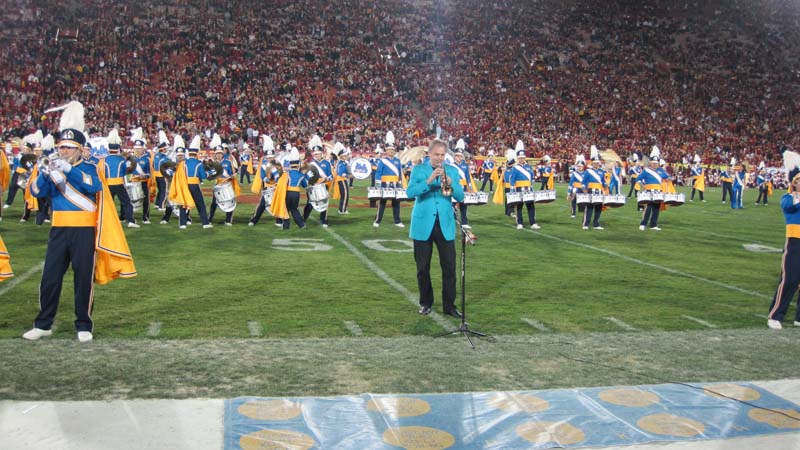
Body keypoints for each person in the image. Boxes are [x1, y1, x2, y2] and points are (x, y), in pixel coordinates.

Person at [23, 101, 136, 343]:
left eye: (69, 147)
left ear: (79, 148)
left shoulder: (90, 167)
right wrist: (46, 173)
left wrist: (69, 170)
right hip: (59, 229)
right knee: (50, 277)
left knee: (83, 278)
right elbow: (36, 192)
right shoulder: (51, 166)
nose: (63, 151)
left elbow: (93, 185)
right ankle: (43, 324)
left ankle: (83, 324)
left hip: (84, 230)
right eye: (61, 146)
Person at [406, 139, 464, 317]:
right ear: (429, 154)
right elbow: (409, 193)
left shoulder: (452, 170)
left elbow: (461, 196)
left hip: (445, 224)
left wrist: (452, 183)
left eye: (442, 155)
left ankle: (449, 305)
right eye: (436, 154)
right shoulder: (419, 170)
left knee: (449, 267)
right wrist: (430, 180)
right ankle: (426, 302)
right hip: (423, 224)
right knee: (423, 268)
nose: (440, 158)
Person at [767, 168, 800, 330]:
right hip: (795, 243)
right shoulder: (788, 198)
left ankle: (798, 318)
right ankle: (775, 315)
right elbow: (789, 207)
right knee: (790, 279)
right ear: (794, 183)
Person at [373, 132, 404, 228]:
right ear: (386, 150)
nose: (391, 151)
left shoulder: (397, 160)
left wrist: (400, 183)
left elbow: (399, 172)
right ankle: (377, 220)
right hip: (384, 184)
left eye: (392, 150)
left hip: (395, 184)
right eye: (390, 149)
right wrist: (378, 184)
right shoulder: (382, 160)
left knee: (396, 202)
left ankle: (397, 221)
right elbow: (378, 173)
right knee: (382, 202)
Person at [509, 142, 540, 230]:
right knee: (519, 207)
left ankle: (533, 223)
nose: (521, 159)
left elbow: (532, 178)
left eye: (523, 158)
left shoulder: (529, 167)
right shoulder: (515, 167)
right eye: (520, 158)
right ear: (518, 159)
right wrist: (512, 190)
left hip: (528, 189)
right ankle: (520, 223)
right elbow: (512, 179)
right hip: (519, 189)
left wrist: (532, 187)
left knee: (531, 206)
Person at [637, 146, 666, 231]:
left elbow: (668, 177)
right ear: (650, 163)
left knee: (656, 209)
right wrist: (642, 184)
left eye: (656, 163)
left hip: (658, 192)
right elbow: (638, 178)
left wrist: (668, 179)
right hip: (649, 192)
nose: (654, 164)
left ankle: (653, 225)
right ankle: (643, 224)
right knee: (648, 208)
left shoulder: (661, 171)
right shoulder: (646, 170)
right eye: (653, 163)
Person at [582, 146, 606, 230]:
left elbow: (603, 182)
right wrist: (585, 192)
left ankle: (596, 224)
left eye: (597, 162)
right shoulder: (588, 171)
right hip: (590, 191)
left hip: (599, 192)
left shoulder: (602, 172)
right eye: (595, 162)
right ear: (592, 163)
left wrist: (606, 189)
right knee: (589, 208)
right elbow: (583, 183)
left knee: (598, 208)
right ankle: (585, 224)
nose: (596, 164)